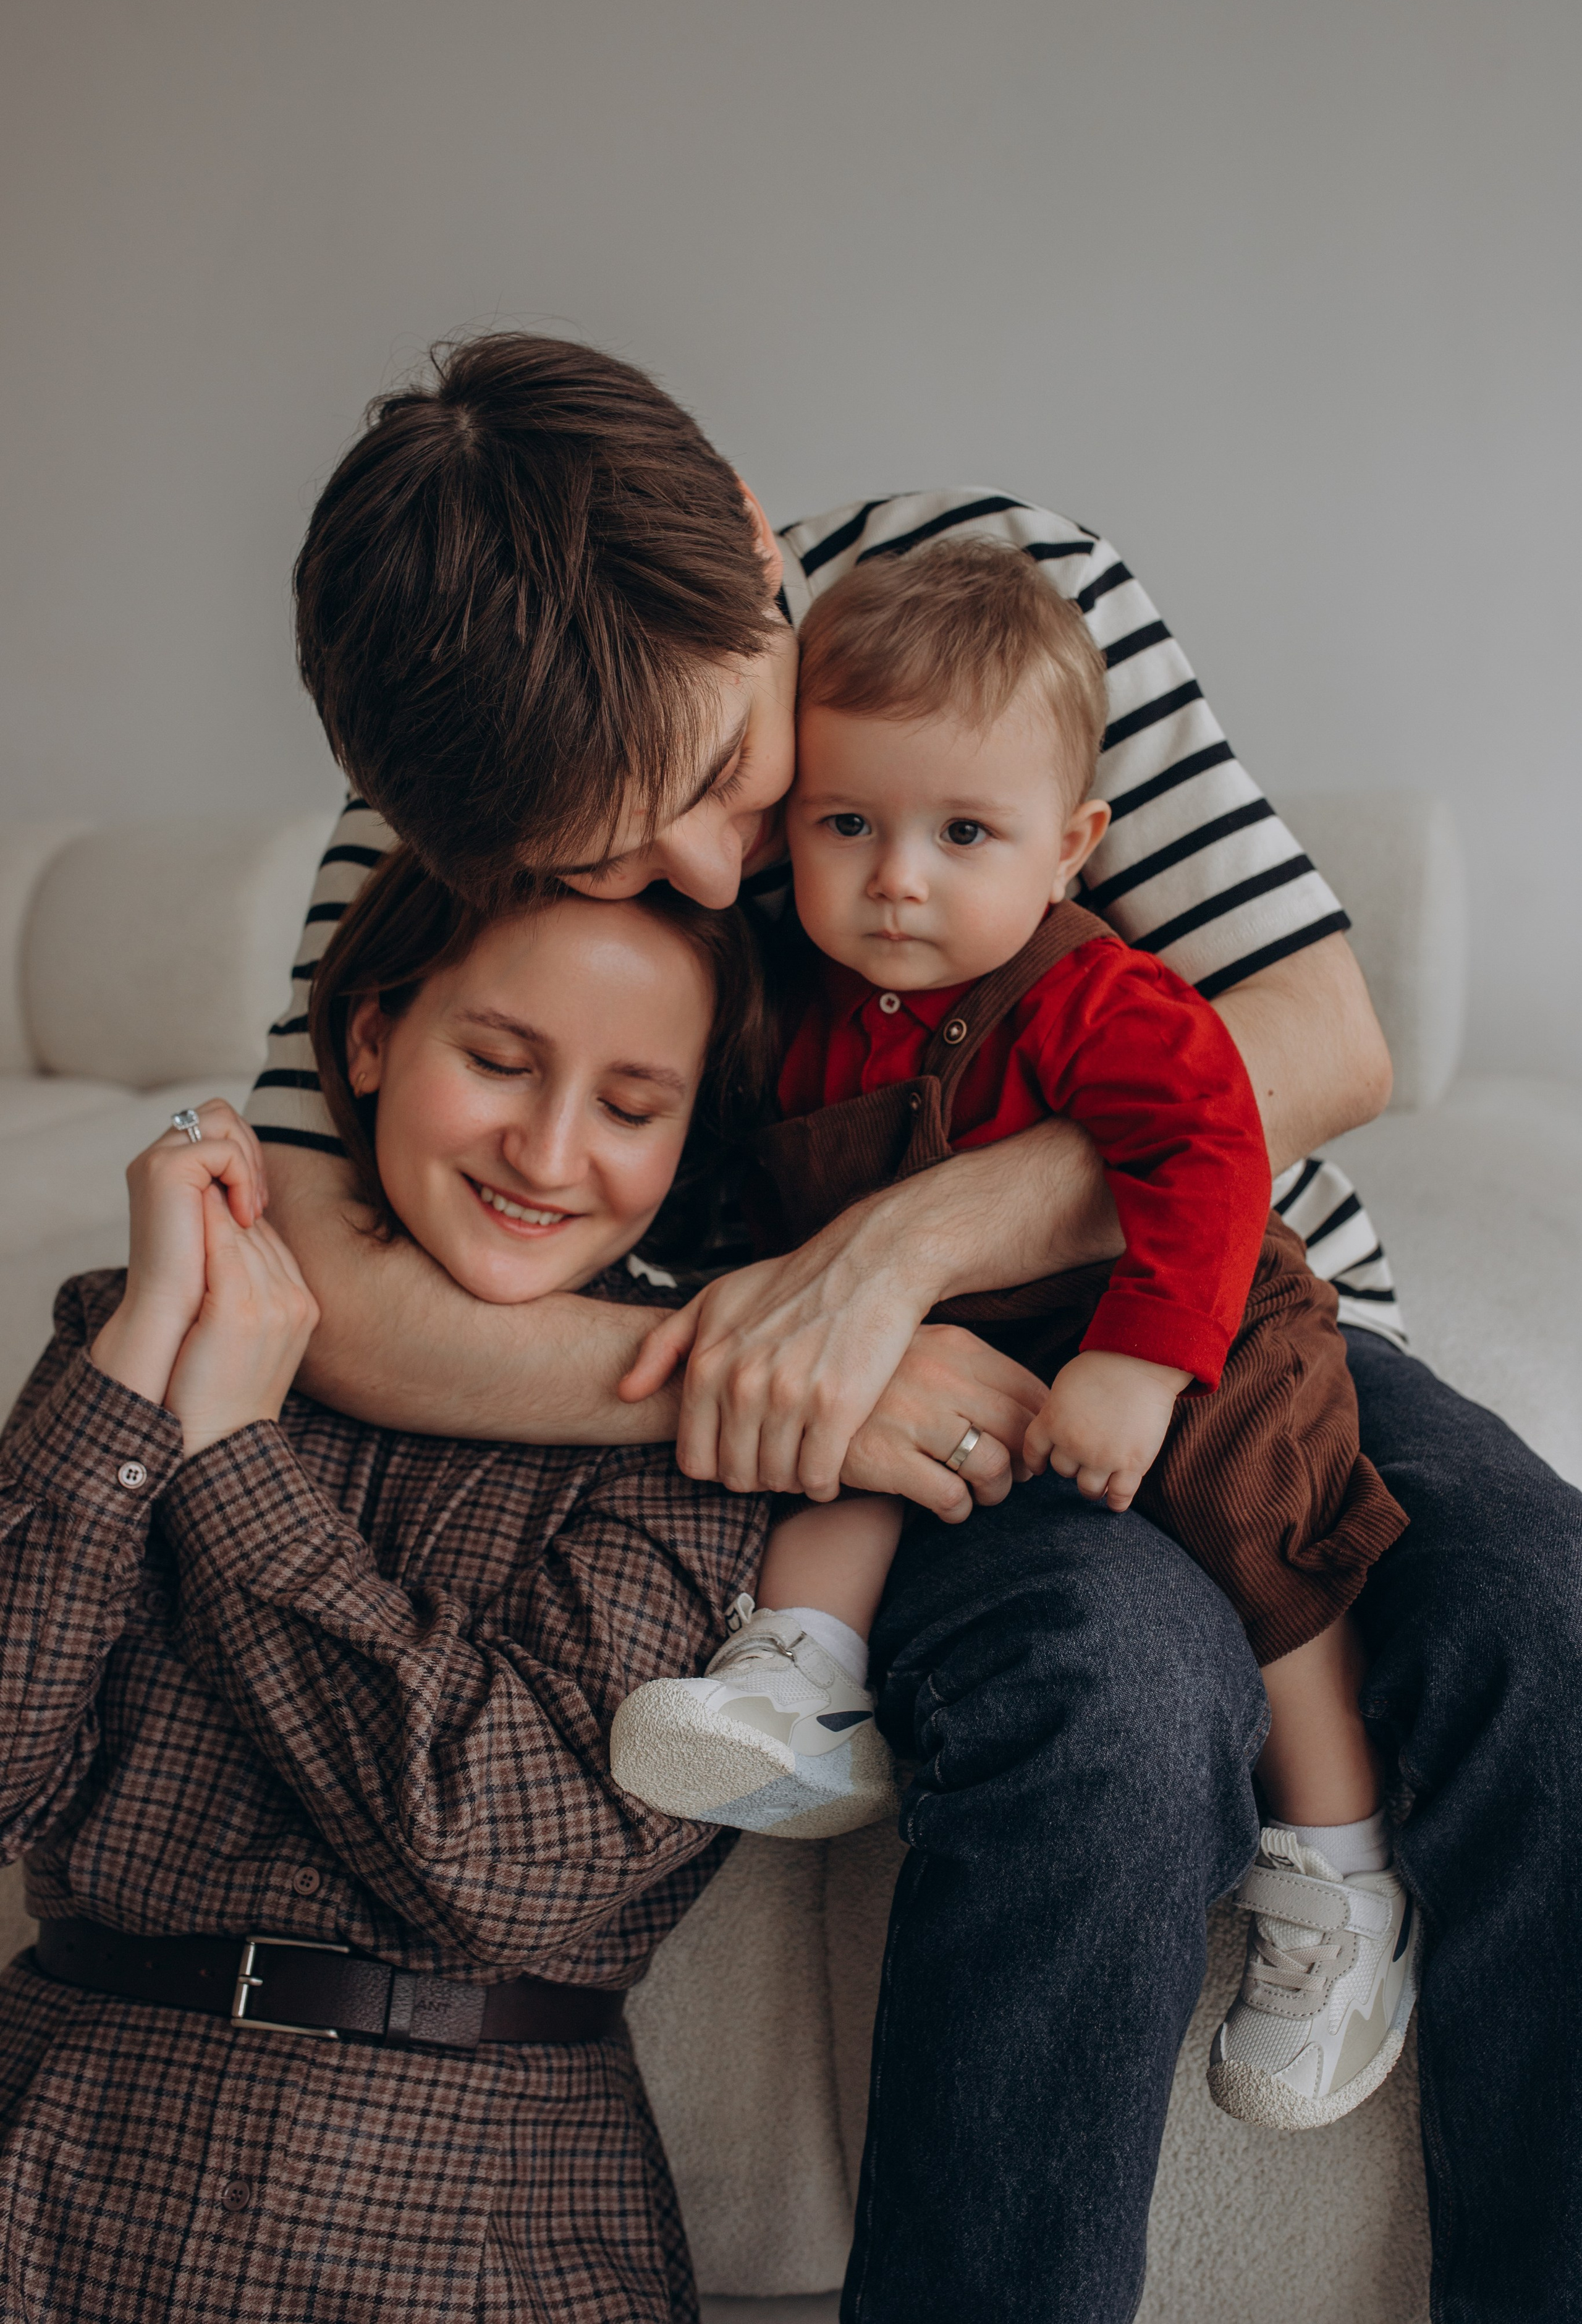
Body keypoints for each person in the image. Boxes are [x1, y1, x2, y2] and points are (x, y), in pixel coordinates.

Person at [248, 334, 1582, 2322]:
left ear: (756, 557)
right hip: (920, 1435)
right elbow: (333, 1292)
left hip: (1216, 1306)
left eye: (720, 778)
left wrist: (885, 1257)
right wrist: (778, 1362)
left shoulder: (994, 585)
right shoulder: (449, 787)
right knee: (1113, 1713)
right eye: (600, 868)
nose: (712, 875)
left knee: (1543, 1620)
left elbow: (1323, 1039)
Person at [608, 539, 1418, 2132]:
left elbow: (1208, 1151)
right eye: (848, 826)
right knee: (838, 1437)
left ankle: (1336, 1866)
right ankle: (804, 1679)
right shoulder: (798, 1002)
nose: (895, 876)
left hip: (1181, 1322)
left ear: (1071, 845)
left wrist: (1141, 1359)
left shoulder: (1095, 998)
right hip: (955, 1344)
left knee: (1265, 1531)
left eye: (960, 833)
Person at [0, 867, 781, 2323]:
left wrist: (230, 1457)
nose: (548, 1153)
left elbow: (505, 1862)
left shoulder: (707, 1445)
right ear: (368, 1040)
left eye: (630, 1106)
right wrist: (139, 1358)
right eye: (497, 1060)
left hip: (453, 2207)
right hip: (46, 2152)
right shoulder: (145, 1329)